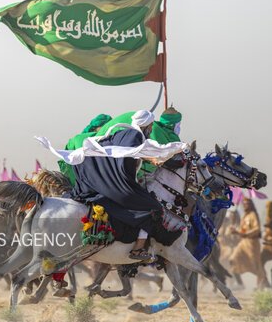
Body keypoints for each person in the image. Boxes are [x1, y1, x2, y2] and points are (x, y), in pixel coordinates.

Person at [66, 110, 185, 261]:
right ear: (146, 125)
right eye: (150, 126)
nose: (151, 129)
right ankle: (138, 248)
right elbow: (132, 150)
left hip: (107, 181)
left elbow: (132, 151)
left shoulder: (126, 133)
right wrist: (153, 160)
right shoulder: (135, 136)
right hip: (119, 185)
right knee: (153, 207)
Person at [229, 198, 269, 289]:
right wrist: (236, 231)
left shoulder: (253, 215)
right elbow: (243, 230)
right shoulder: (244, 216)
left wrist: (245, 233)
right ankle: (240, 284)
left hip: (252, 243)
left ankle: (264, 282)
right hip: (243, 243)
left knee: (255, 263)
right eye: (243, 204)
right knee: (233, 259)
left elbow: (257, 229)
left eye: (246, 204)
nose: (244, 206)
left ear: (250, 205)